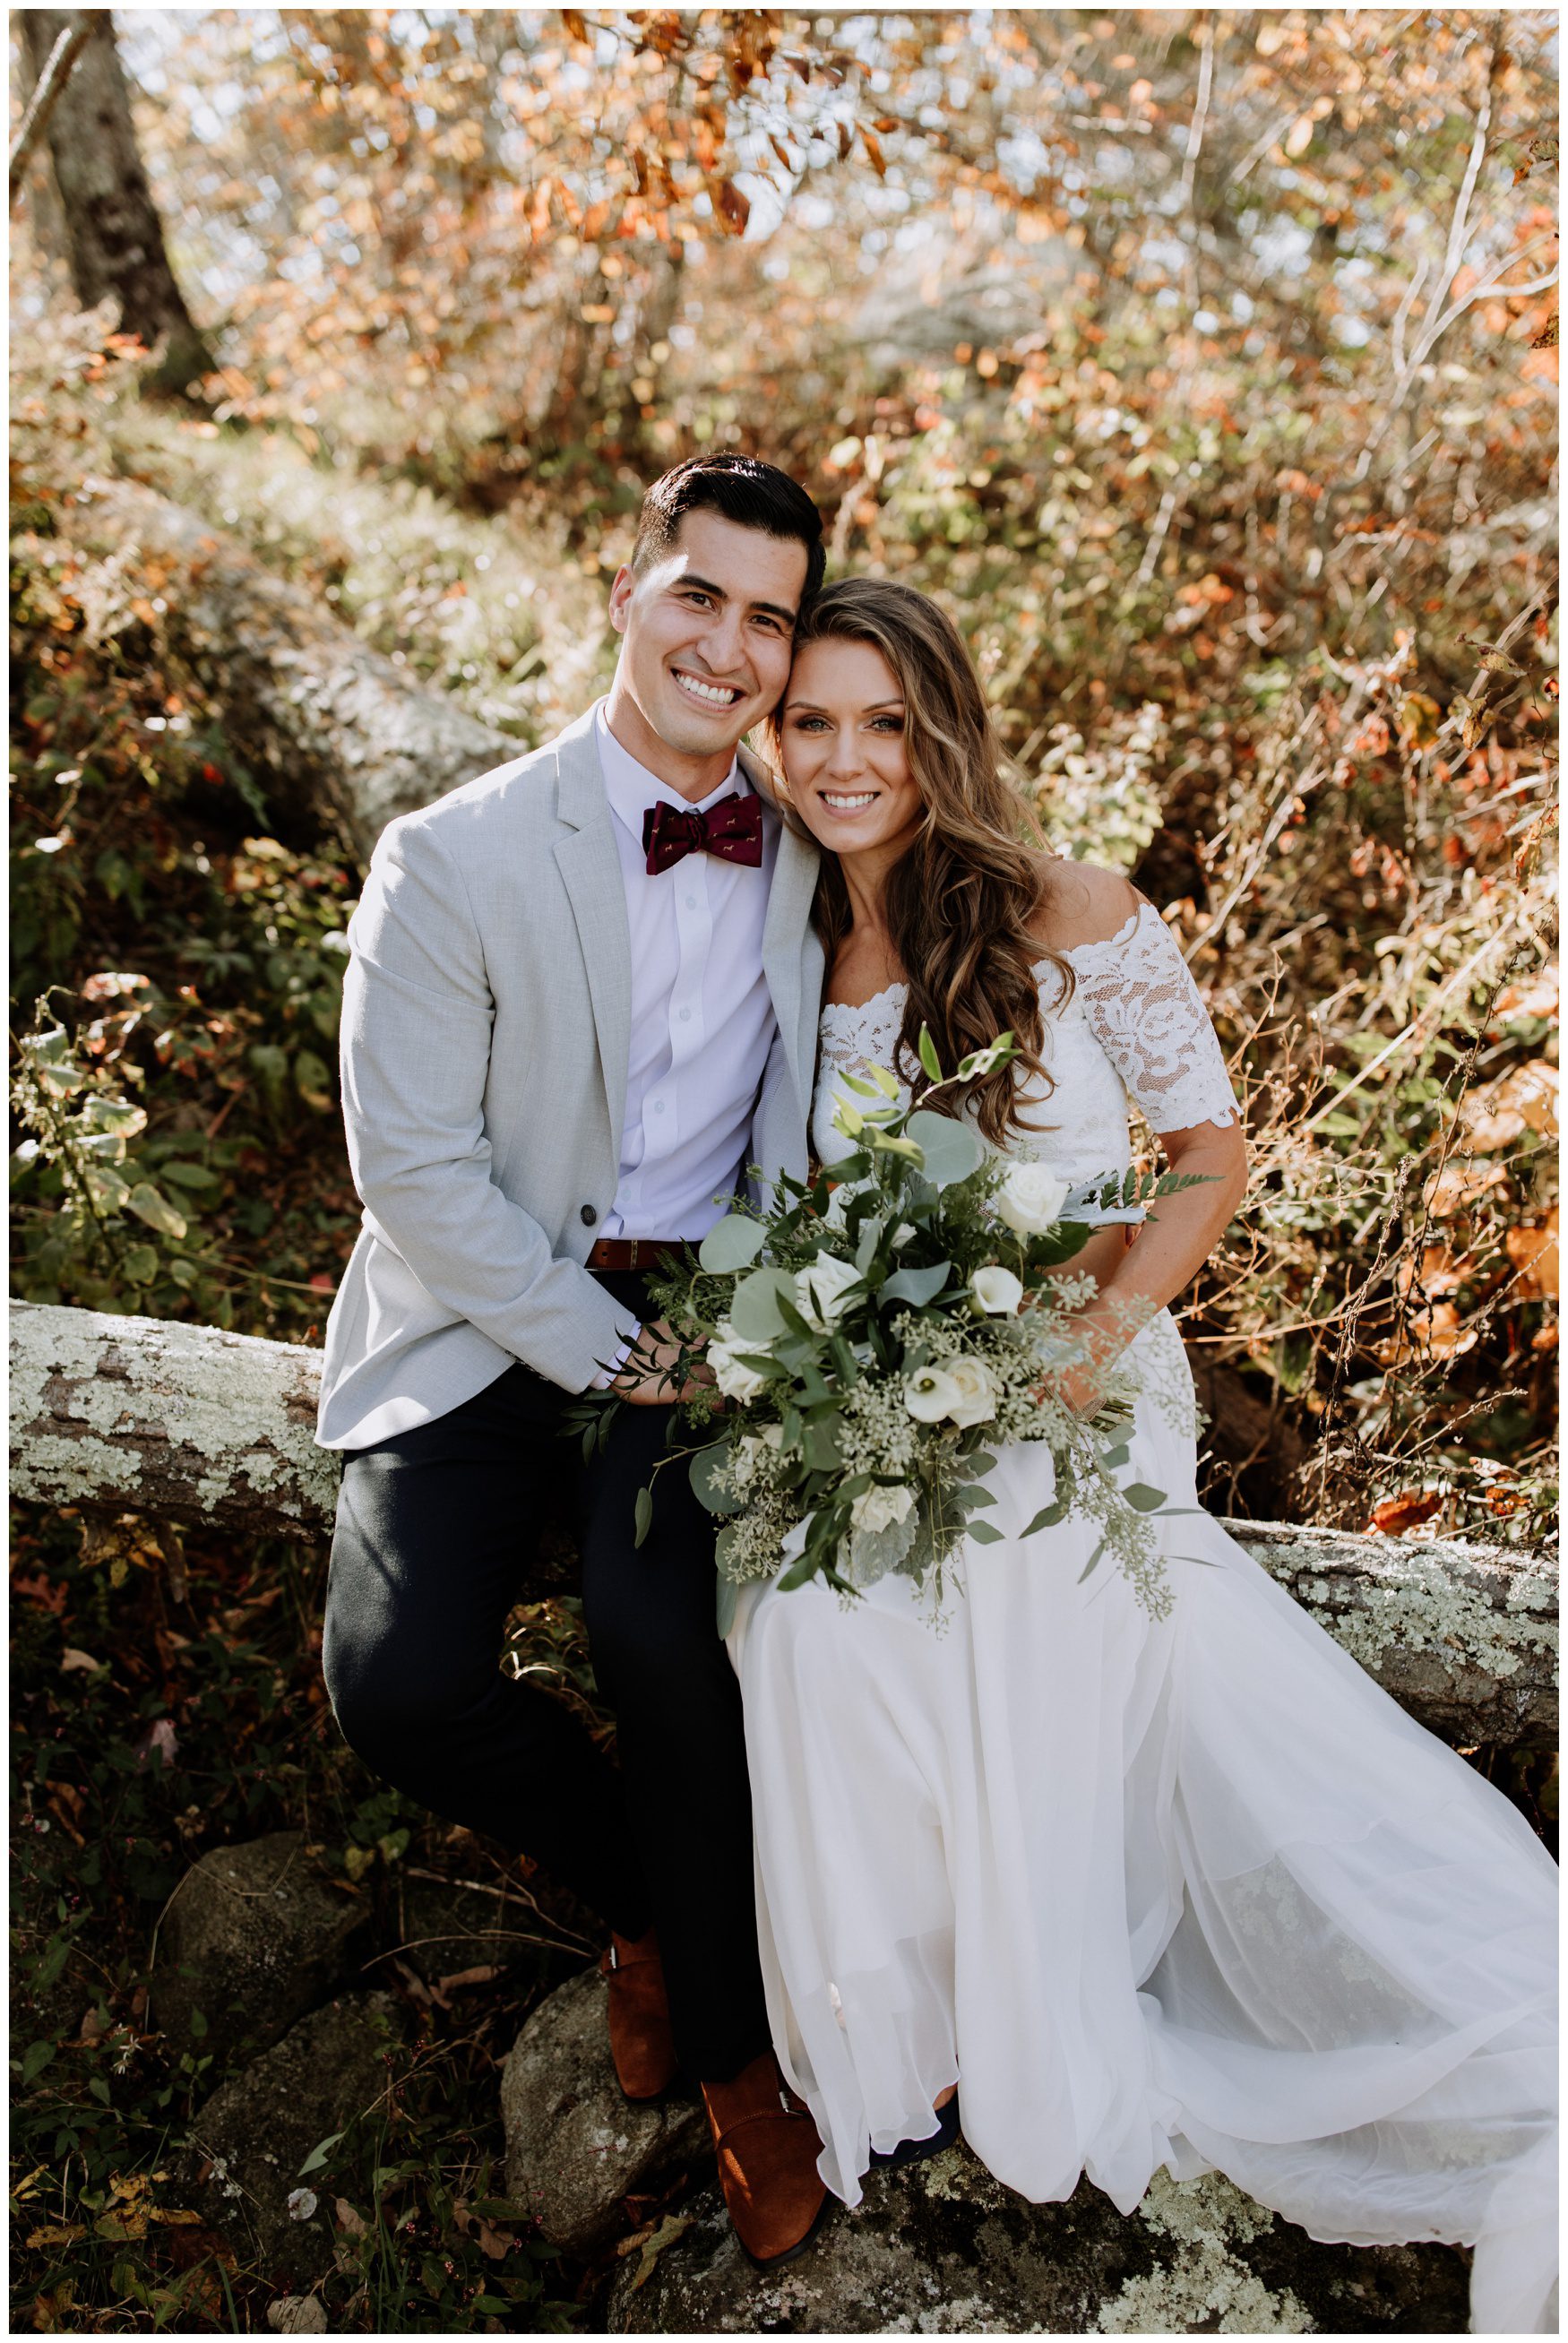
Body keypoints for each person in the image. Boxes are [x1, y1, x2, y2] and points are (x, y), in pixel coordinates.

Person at [728, 576, 1558, 2331]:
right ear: (769, 736)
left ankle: (1077, 1998)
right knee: (805, 1621)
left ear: (941, 731)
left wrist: (1088, 1332)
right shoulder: (773, 949)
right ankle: (914, 2028)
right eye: (810, 721)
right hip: (897, 1383)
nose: (846, 758)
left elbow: (1199, 1149)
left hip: (1086, 1374)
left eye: (883, 721)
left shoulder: (1074, 913)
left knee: (1030, 1586)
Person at [316, 453, 835, 2268]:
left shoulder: (809, 859)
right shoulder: (454, 854)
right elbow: (413, 1174)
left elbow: (816, 1119)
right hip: (486, 1306)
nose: (727, 643)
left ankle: (737, 2058)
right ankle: (649, 1905)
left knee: (657, 1640)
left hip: (700, 1313)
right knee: (394, 1682)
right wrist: (592, 1349)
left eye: (766, 616)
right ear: (624, 590)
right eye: (698, 594)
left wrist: (738, 1329)